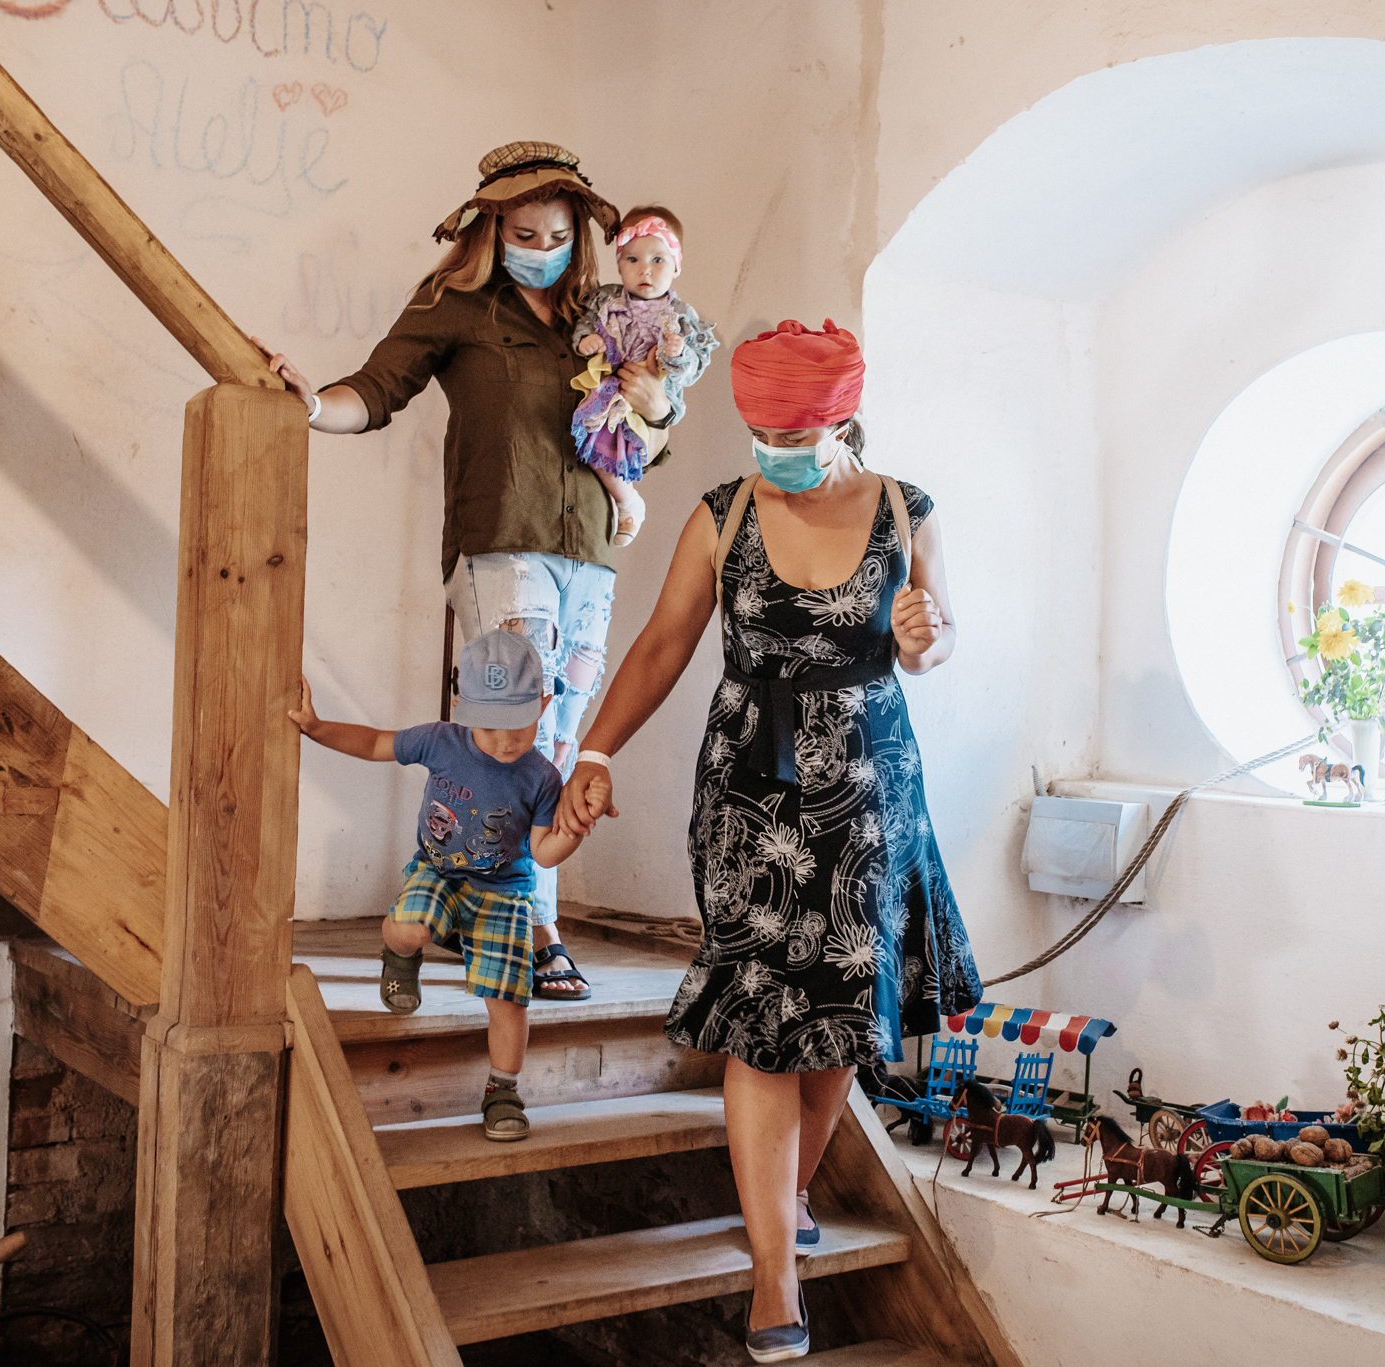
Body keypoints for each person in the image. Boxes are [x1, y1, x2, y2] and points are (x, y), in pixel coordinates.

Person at [557, 319, 981, 1361]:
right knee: (758, 1020)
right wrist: (595, 751)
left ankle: (784, 1196)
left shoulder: (905, 510)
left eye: (795, 434)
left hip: (870, 794)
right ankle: (773, 1269)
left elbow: (933, 637)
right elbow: (662, 645)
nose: (776, 451)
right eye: (763, 432)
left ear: (842, 418)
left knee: (843, 1018)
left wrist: (927, 639)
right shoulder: (724, 513)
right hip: (748, 792)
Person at [257, 141, 669, 1002]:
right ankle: (536, 928)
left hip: (590, 553)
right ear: (491, 228)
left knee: (557, 743)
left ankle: (486, 902)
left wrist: (656, 407)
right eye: (525, 233)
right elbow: (376, 388)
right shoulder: (455, 305)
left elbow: (641, 442)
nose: (544, 248)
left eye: (560, 234)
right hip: (499, 543)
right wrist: (312, 403)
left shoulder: (600, 319)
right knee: (520, 726)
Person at [288, 630, 599, 1142]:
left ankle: (503, 1090)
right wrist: (317, 728)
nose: (504, 741)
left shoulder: (542, 777)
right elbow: (375, 743)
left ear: (544, 706)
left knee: (509, 999)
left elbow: (543, 853)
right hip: (438, 871)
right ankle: (399, 955)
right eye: (489, 726)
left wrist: (575, 830)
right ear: (462, 709)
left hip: (504, 892)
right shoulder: (440, 741)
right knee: (410, 929)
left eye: (518, 725)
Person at [568, 205, 717, 545]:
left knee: (616, 444)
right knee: (590, 438)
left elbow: (691, 370)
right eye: (632, 259)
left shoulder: (679, 315)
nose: (644, 270)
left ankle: (628, 503)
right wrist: (586, 340)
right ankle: (625, 501)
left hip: (652, 396)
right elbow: (585, 324)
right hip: (608, 385)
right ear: (619, 263)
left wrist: (677, 354)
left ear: (676, 265)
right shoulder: (606, 299)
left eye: (658, 260)